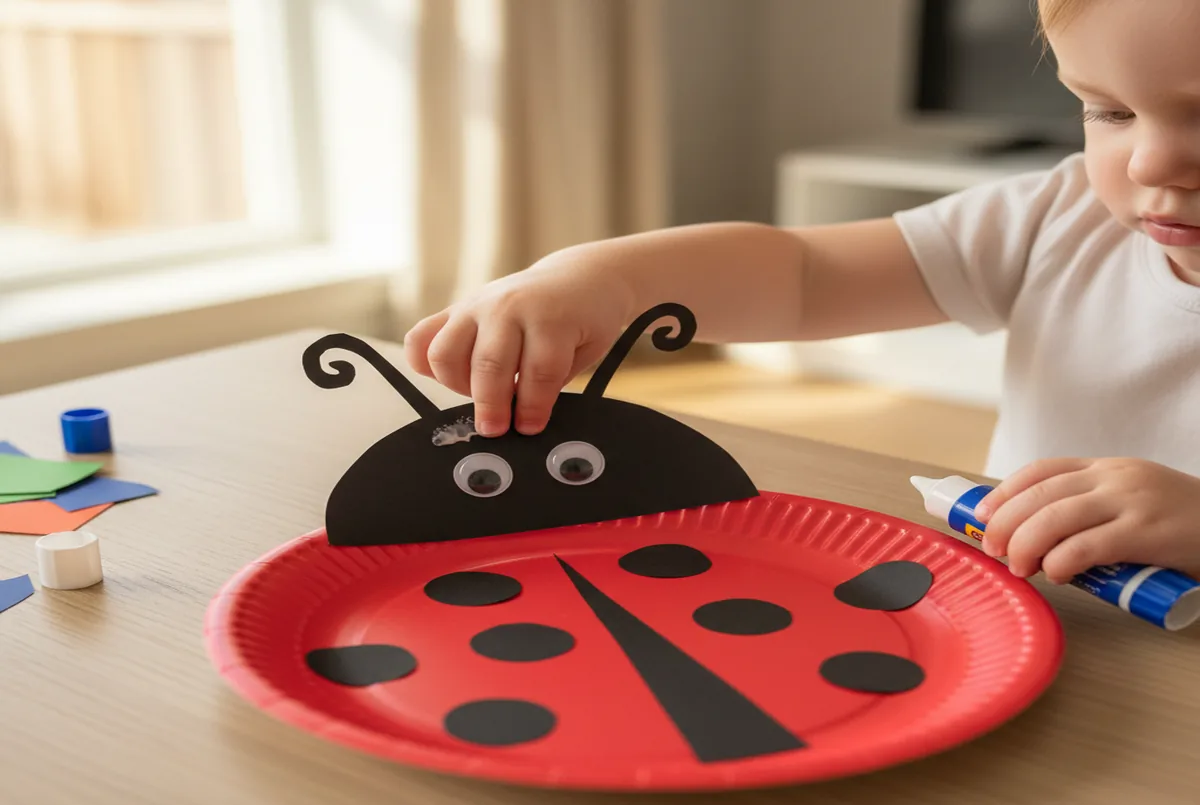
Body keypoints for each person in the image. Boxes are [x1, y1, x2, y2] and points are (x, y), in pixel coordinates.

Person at [404, 0, 1200, 584]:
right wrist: (603, 278)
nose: (1149, 163)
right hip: (1049, 619)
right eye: (1108, 109)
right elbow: (806, 277)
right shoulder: (1059, 217)